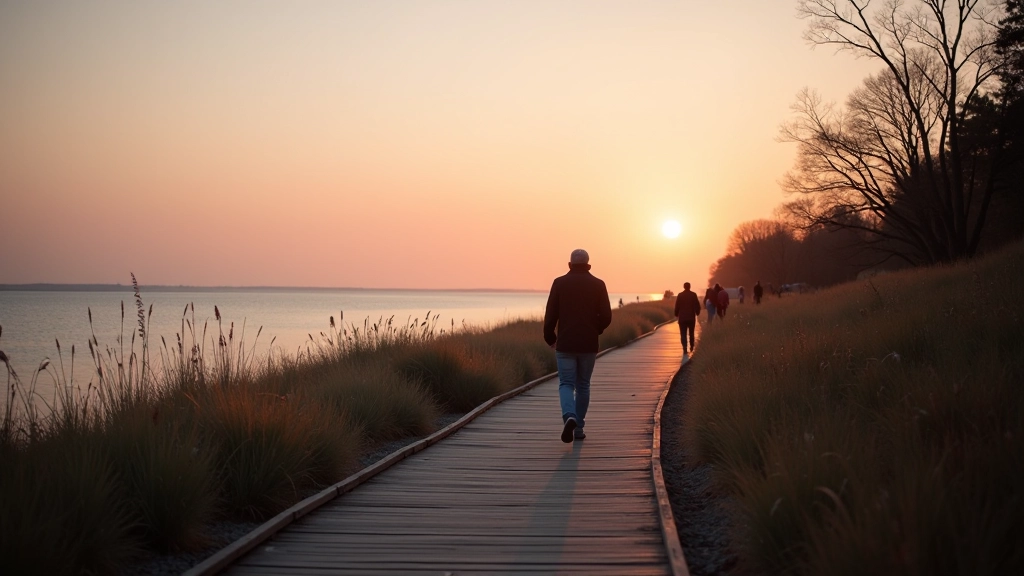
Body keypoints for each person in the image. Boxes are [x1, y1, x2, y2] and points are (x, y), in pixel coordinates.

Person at [544, 249, 612, 443]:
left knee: (566, 383)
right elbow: (606, 316)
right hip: (588, 344)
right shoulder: (598, 285)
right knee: (583, 384)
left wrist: (550, 337)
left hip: (565, 343)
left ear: (569, 264)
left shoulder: (559, 283)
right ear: (589, 263)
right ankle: (579, 428)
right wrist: (595, 330)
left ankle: (569, 416)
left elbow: (551, 314)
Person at [673, 282, 701, 355]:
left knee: (683, 334)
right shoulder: (693, 295)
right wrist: (697, 312)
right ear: (690, 287)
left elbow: (677, 306)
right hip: (691, 317)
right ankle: (691, 347)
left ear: (684, 287)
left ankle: (685, 348)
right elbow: (697, 305)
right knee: (691, 333)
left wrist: (676, 314)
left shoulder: (680, 295)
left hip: (682, 318)